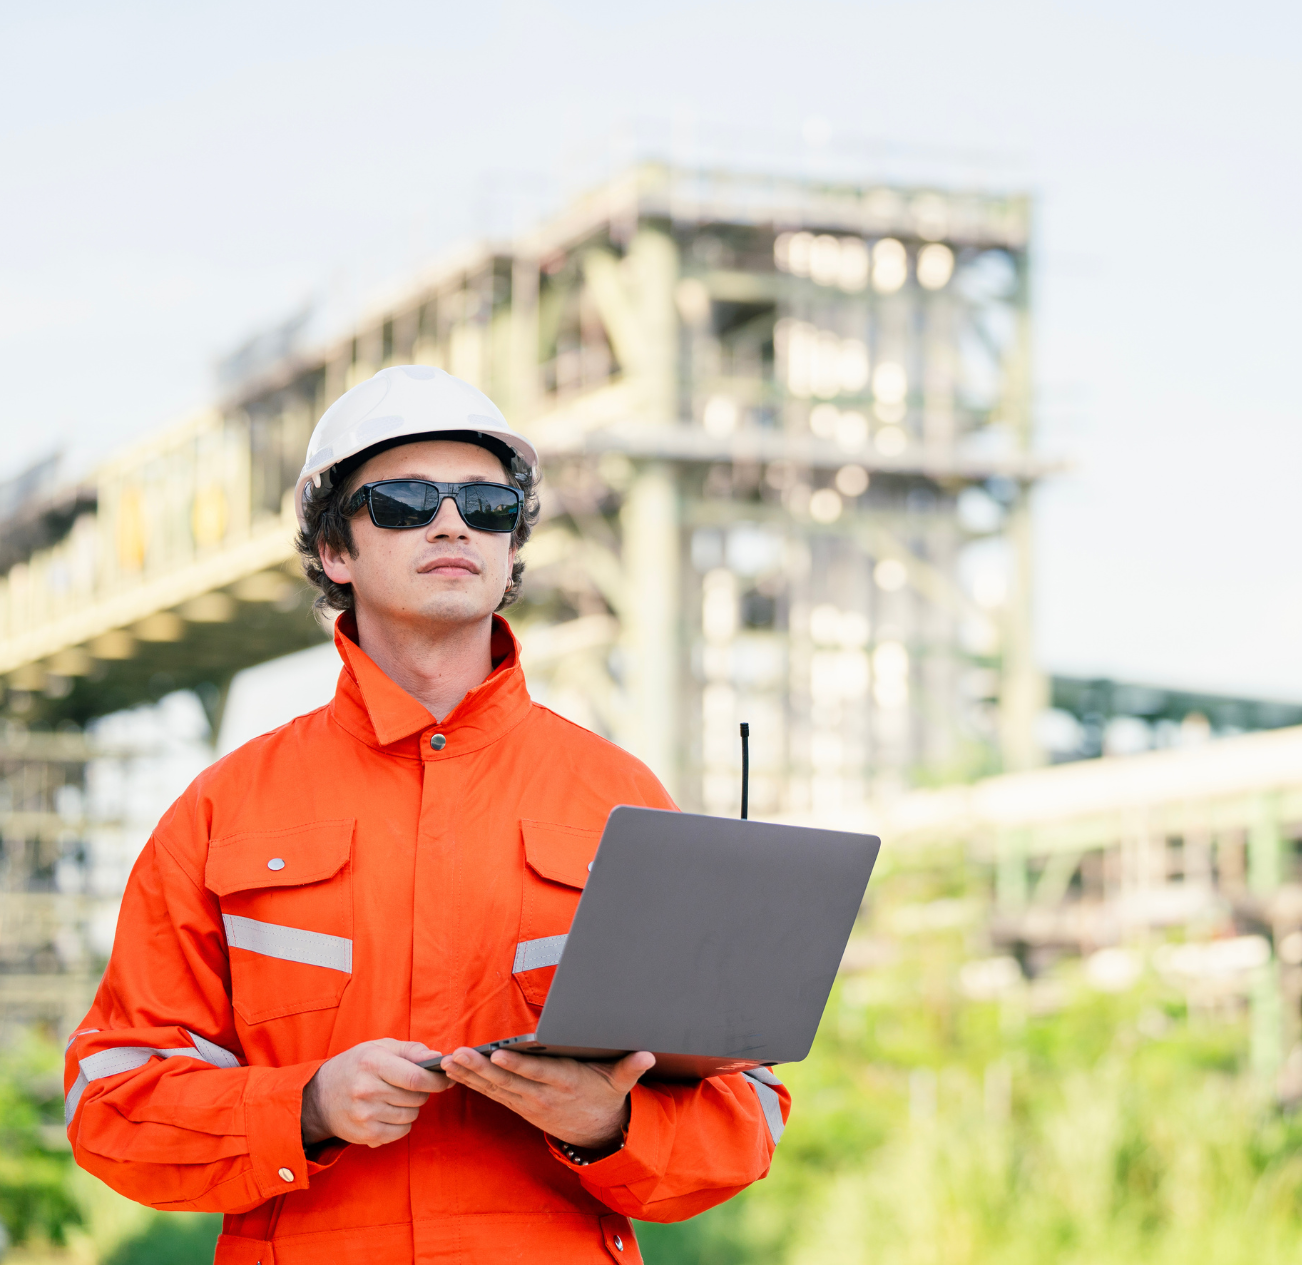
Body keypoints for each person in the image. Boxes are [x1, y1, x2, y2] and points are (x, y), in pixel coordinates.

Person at [62, 366, 787, 1265]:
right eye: (404, 501)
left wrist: (610, 1120)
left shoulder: (619, 800)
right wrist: (307, 1108)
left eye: (486, 505)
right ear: (336, 552)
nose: (451, 521)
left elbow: (742, 1110)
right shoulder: (225, 811)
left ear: (511, 548)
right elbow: (111, 1102)